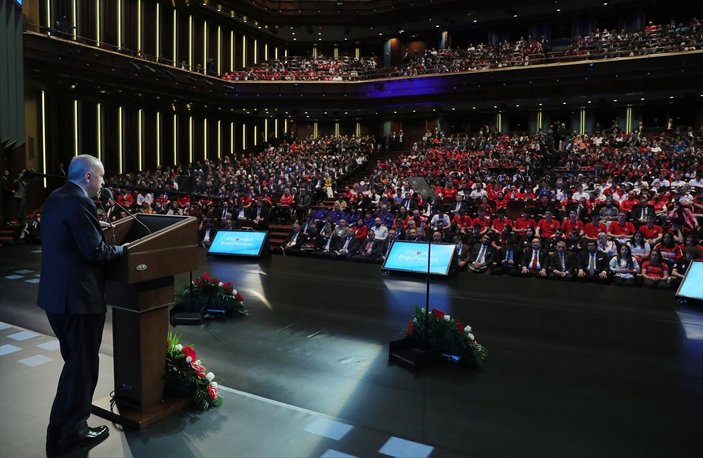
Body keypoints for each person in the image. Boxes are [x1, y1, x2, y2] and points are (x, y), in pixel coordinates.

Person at [37, 155, 126, 454]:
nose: (103, 184)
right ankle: (72, 432)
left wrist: (92, 223)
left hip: (55, 298)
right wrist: (122, 249)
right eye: (101, 178)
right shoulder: (81, 203)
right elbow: (95, 252)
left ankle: (60, 431)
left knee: (75, 365)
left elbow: (66, 236)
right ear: (88, 177)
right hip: (80, 301)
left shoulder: (57, 197)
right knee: (83, 367)